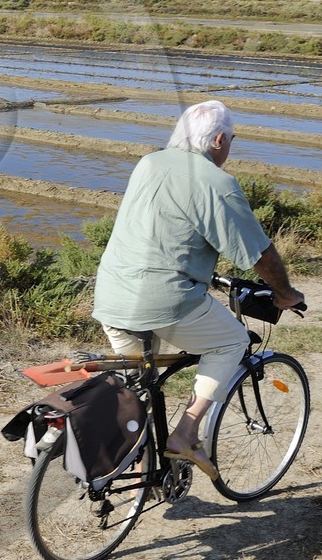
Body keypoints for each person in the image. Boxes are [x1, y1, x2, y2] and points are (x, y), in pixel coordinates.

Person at [91, 100, 305, 480]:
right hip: (164, 301)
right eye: (231, 140)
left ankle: (140, 469)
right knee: (232, 341)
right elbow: (258, 252)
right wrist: (285, 293)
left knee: (139, 384)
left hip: (111, 294)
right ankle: (187, 433)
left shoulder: (150, 162)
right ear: (220, 139)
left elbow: (167, 228)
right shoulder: (216, 182)